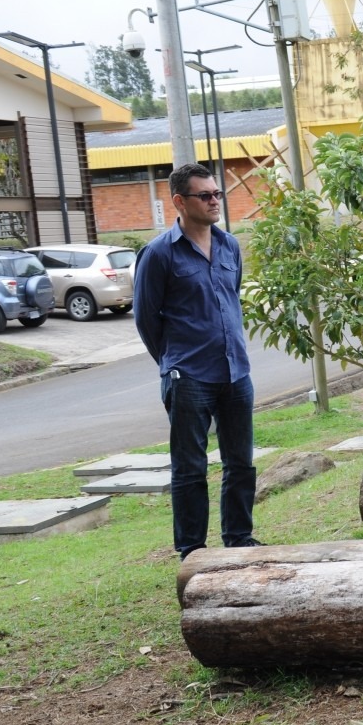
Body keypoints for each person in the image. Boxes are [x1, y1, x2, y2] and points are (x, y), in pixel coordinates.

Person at [134, 163, 261, 560]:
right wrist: (174, 362)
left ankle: (238, 539)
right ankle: (192, 550)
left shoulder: (229, 246)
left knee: (241, 462)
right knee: (190, 469)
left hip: (235, 373)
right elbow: (145, 318)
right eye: (204, 195)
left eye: (217, 194)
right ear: (179, 201)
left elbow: (231, 297)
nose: (214, 201)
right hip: (188, 376)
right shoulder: (158, 254)